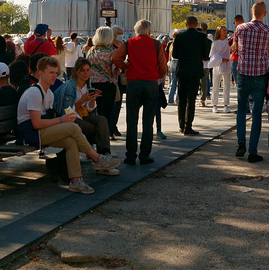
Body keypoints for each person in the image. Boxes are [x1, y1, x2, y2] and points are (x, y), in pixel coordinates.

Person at [16, 56, 119, 193]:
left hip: (42, 131)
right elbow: (36, 123)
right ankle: (97, 158)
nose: (54, 76)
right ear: (40, 73)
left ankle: (76, 181)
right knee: (73, 127)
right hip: (30, 134)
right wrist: (62, 120)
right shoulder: (34, 93)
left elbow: (85, 111)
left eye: (56, 73)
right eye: (51, 73)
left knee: (71, 141)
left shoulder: (49, 93)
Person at [112, 20, 167, 165]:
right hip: (150, 83)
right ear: (149, 31)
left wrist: (125, 67)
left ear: (136, 31)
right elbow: (163, 66)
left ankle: (130, 155)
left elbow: (115, 57)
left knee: (132, 120)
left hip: (134, 83)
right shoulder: (156, 44)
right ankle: (144, 155)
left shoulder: (129, 43)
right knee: (148, 121)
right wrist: (157, 76)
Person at [54, 58, 117, 172]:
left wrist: (92, 99)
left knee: (102, 120)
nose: (86, 73)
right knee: (95, 129)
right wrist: (83, 100)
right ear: (77, 71)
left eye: (88, 70)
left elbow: (90, 108)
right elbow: (67, 111)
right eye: (83, 70)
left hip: (83, 115)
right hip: (71, 118)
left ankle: (105, 154)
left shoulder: (87, 85)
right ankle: (100, 160)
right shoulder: (70, 87)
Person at [232, 1, 269, 163]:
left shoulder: (240, 29)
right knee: (257, 114)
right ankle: (253, 151)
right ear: (265, 14)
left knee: (241, 110)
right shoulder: (268, 30)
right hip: (260, 74)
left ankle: (241, 142)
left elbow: (235, 48)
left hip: (243, 73)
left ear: (251, 12)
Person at [171, 16, 211, 134]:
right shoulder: (202, 37)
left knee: (181, 98)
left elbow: (175, 54)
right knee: (191, 99)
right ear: (196, 24)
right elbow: (205, 55)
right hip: (195, 70)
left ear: (186, 24)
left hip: (183, 70)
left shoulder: (179, 37)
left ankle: (181, 124)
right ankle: (188, 126)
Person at [86, 27, 120, 133]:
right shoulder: (112, 52)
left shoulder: (91, 51)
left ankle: (94, 131)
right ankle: (104, 133)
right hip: (107, 85)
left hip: (92, 85)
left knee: (93, 110)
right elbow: (115, 71)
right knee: (106, 112)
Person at [209, 26, 232, 113]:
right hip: (217, 65)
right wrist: (221, 59)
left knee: (227, 85)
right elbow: (212, 55)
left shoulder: (228, 42)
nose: (225, 31)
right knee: (216, 84)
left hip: (226, 64)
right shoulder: (215, 42)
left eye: (226, 30)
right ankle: (214, 105)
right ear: (219, 31)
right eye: (223, 30)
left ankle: (226, 104)